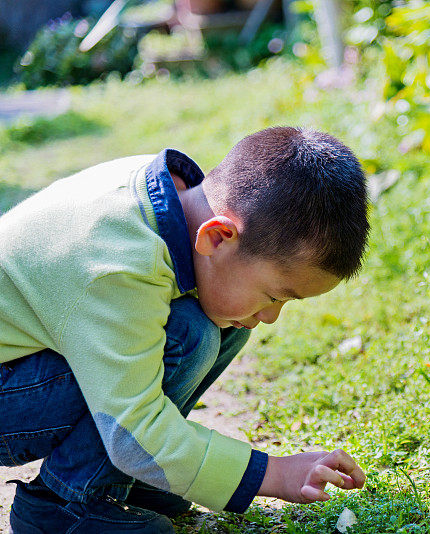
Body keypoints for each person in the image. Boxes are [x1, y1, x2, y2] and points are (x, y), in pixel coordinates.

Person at [0, 127, 369, 533]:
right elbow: (133, 426)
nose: (271, 317)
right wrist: (276, 473)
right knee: (188, 332)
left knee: (225, 320)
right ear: (217, 235)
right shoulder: (119, 265)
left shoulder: (169, 201)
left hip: (21, 367)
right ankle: (61, 506)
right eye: (273, 295)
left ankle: (130, 479)